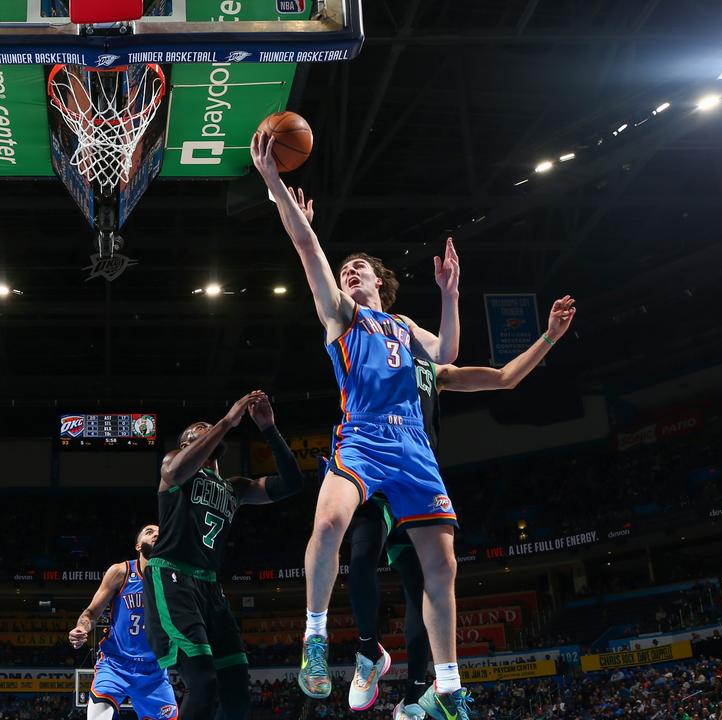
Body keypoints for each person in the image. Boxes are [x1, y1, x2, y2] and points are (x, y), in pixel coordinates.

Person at [250, 131, 473, 720]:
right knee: (329, 525)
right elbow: (306, 247)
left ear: (379, 280)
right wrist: (276, 187)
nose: (348, 272)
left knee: (442, 565)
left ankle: (448, 688)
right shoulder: (342, 319)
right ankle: (316, 638)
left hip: (413, 446)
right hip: (365, 437)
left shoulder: (402, 325)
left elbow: (446, 352)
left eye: (358, 269)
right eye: (344, 269)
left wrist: (450, 294)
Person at [348, 297, 576, 718]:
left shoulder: (433, 372)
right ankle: (368, 652)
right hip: (376, 471)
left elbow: (505, 378)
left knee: (420, 591)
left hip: (416, 483)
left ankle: (416, 697)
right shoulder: (364, 353)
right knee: (359, 556)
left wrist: (549, 337)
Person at [144, 391, 310, 720]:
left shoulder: (236, 487)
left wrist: (268, 429)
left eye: (210, 428)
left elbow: (292, 483)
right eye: (200, 429)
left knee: (235, 690)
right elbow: (175, 472)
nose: (207, 430)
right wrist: (226, 421)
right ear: (188, 441)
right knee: (203, 682)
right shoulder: (174, 465)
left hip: (210, 586)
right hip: (174, 576)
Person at [68, 524, 176, 720]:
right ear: (137, 545)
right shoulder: (121, 572)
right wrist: (80, 628)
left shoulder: (174, 579)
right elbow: (91, 613)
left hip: (154, 670)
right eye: (149, 532)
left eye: (160, 534)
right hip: (116, 664)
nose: (155, 535)